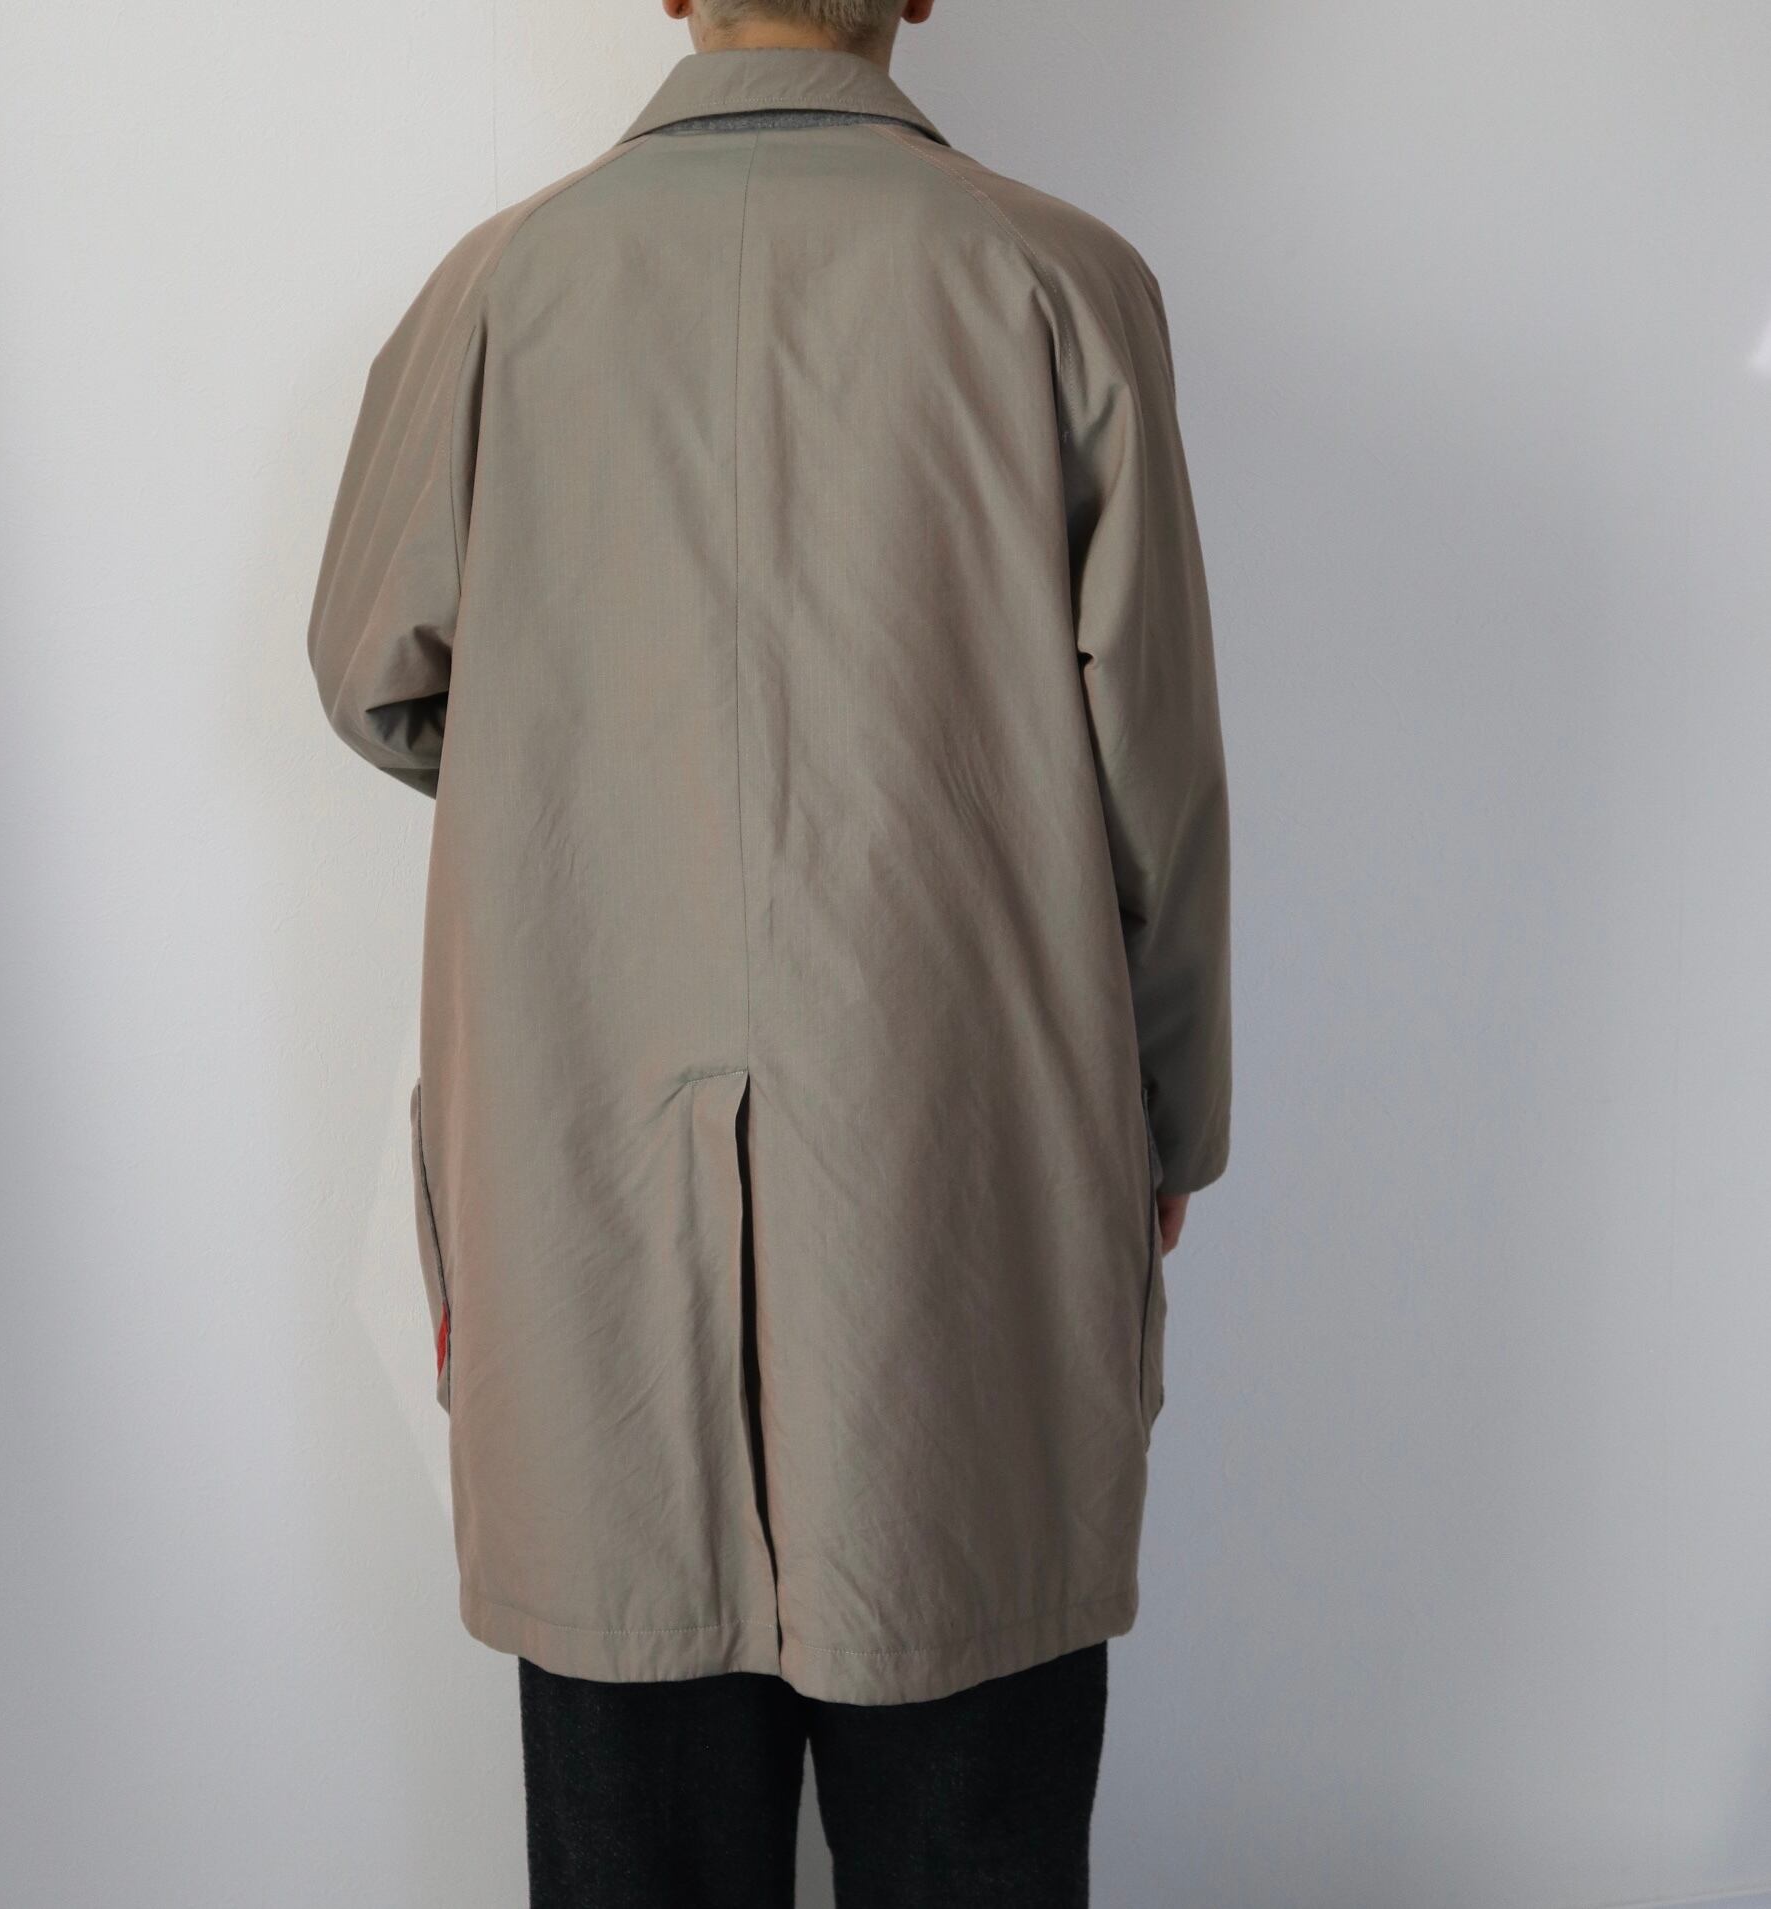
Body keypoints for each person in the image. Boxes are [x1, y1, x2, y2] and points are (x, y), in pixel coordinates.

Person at [306, 0, 1232, 1899]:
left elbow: (371, 673)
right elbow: (1153, 778)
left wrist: (585, 788)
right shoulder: (1058, 283)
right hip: (963, 1179)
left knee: (632, 1785)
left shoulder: (500, 290)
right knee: (969, 1798)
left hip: (585, 1187)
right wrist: (1166, 1122)